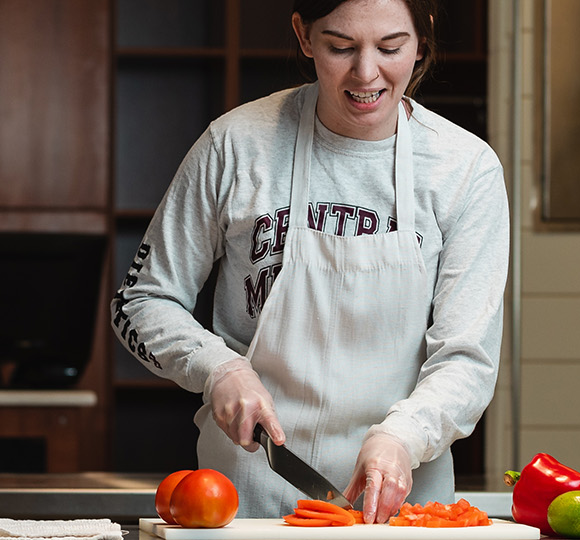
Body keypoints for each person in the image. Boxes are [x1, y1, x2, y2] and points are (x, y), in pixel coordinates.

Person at [109, 0, 509, 523]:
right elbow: (142, 301)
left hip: (398, 507)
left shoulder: (465, 169)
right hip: (241, 501)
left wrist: (402, 437)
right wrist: (218, 368)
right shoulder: (235, 145)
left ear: (422, 40)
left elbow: (466, 359)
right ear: (303, 36)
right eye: (340, 47)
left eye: (391, 47)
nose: (366, 73)